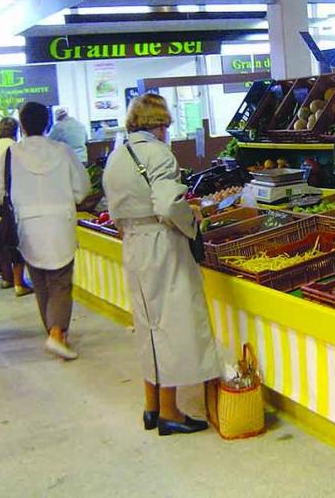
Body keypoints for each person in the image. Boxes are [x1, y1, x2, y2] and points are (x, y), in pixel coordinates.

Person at [102, 93, 220, 435]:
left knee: (147, 325)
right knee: (171, 323)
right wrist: (192, 223)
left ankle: (151, 406)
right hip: (161, 243)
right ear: (161, 123)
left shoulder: (117, 156)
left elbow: (116, 209)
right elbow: (169, 205)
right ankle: (171, 412)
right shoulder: (159, 154)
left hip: (133, 244)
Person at [0, 102, 90, 360]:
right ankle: (57, 333)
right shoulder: (63, 151)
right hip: (60, 223)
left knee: (40, 280)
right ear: (47, 123)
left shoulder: (11, 154)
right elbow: (82, 188)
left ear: (22, 125)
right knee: (60, 281)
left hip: (27, 225)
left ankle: (52, 331)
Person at [0, 117, 32, 297]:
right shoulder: (17, 149)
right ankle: (19, 282)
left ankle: (6, 278)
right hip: (10, 203)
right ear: (16, 131)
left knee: (1, 244)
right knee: (16, 242)